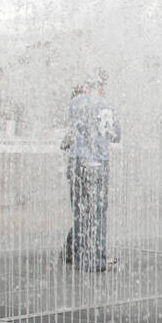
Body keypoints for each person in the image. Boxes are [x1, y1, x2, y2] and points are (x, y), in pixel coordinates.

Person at [61, 70, 121, 272]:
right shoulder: (107, 105)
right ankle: (96, 259)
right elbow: (115, 135)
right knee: (97, 212)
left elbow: (73, 130)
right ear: (101, 85)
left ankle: (76, 254)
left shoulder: (76, 102)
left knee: (80, 210)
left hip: (77, 162)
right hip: (99, 163)